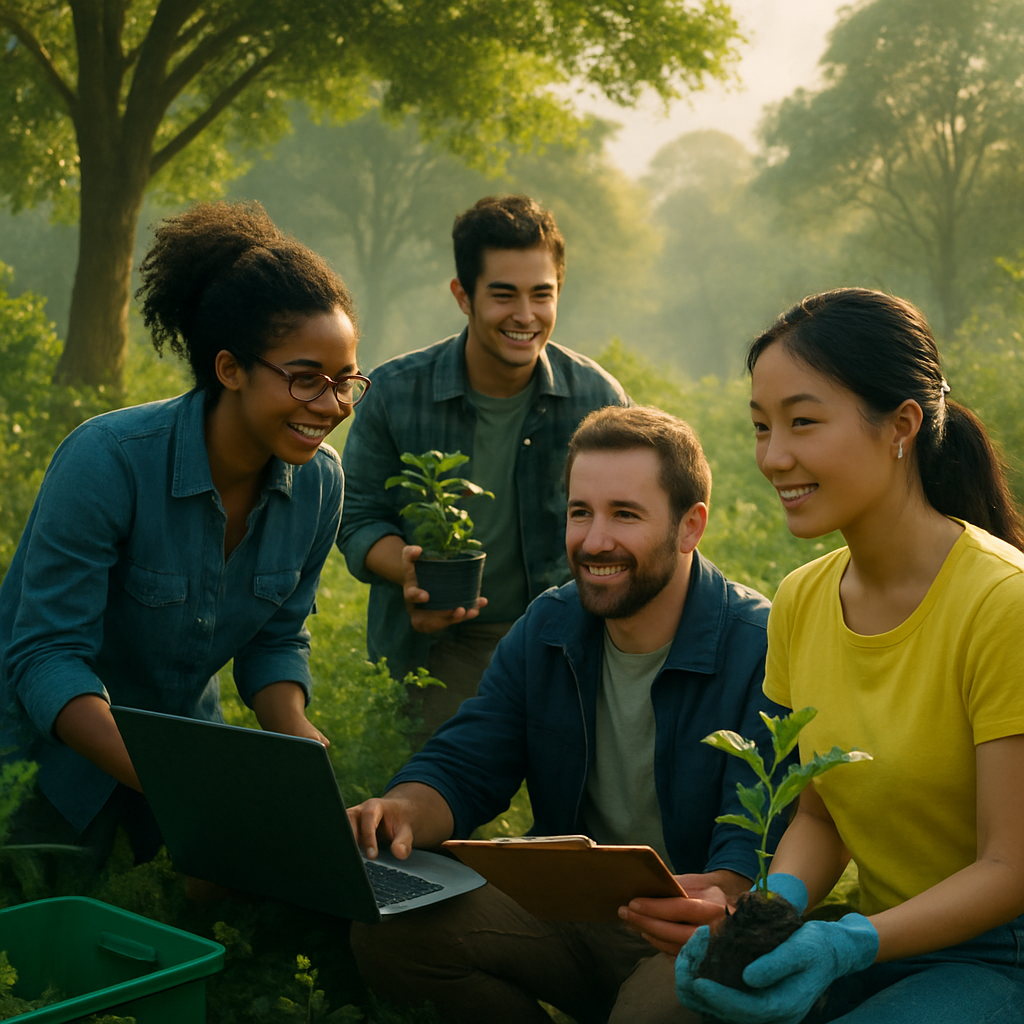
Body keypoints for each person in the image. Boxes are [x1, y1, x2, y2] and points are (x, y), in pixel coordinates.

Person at [346, 405, 790, 1024]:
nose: (594, 540)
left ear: (690, 527)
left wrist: (718, 899)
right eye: (581, 512)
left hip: (690, 926)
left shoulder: (759, 645)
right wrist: (398, 811)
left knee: (652, 1011)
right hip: (571, 911)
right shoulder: (550, 627)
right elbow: (469, 761)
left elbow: (750, 849)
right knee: (392, 932)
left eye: (625, 515)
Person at [663, 289, 1024, 1023]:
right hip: (886, 943)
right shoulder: (801, 600)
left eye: (802, 422)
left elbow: (1010, 867)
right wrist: (767, 912)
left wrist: (848, 944)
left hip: (1000, 954)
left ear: (901, 426)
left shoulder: (1002, 604)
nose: (773, 457)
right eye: (762, 427)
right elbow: (822, 818)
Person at [0, 200, 368, 868]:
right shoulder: (107, 461)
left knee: (229, 919)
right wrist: (187, 789)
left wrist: (296, 740)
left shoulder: (319, 485)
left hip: (185, 742)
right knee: (45, 936)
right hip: (41, 754)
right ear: (231, 369)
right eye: (306, 379)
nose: (333, 405)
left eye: (346, 381)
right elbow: (48, 656)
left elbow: (276, 638)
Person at [337, 194, 629, 738]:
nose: (525, 316)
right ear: (462, 296)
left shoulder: (597, 398)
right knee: (435, 803)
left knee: (572, 812)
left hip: (565, 637)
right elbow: (356, 516)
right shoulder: (396, 394)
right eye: (503, 295)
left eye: (542, 295)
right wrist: (409, 570)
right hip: (437, 643)